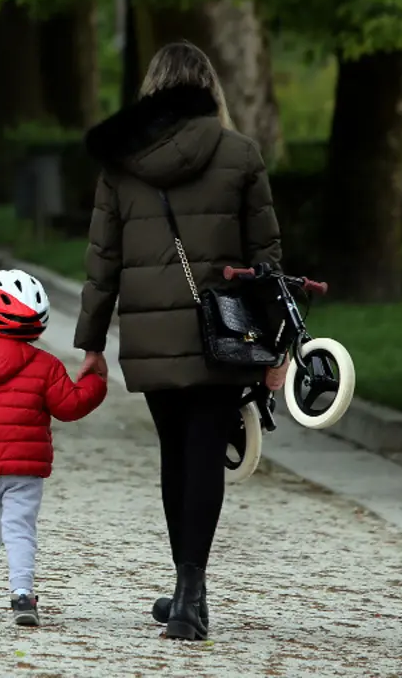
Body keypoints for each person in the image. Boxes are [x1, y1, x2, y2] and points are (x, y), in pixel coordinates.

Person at [73, 41, 287, 640]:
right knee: (203, 455)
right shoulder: (241, 154)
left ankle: (184, 589)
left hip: (150, 333)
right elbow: (266, 256)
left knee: (176, 454)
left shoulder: (121, 164)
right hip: (226, 331)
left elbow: (103, 261)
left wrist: (91, 341)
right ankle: (191, 589)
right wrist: (278, 344)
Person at [0, 269, 107, 626]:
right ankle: (22, 595)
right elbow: (70, 406)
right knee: (20, 529)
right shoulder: (45, 365)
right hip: (26, 467)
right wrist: (97, 381)